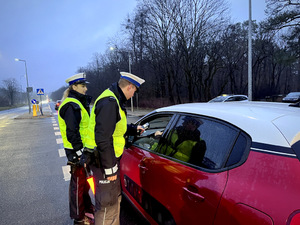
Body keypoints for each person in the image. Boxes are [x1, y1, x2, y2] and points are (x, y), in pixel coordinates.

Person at [82, 72, 145, 225]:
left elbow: (115, 127)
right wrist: (110, 169)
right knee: (107, 206)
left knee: (114, 201)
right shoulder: (110, 102)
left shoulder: (114, 99)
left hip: (105, 160)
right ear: (129, 87)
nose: (134, 94)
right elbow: (103, 138)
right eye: (135, 91)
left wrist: (134, 129)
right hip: (103, 163)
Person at [57, 72, 94, 225]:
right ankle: (79, 218)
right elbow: (72, 133)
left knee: (83, 183)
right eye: (83, 86)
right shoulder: (71, 105)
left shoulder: (76, 103)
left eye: (85, 86)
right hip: (76, 151)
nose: (85, 89)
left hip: (81, 149)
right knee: (77, 184)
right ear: (74, 87)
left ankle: (86, 210)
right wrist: (80, 153)